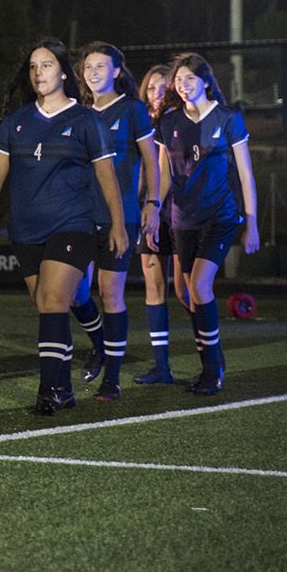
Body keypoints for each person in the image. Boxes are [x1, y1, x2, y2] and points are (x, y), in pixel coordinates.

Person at [0, 39, 128, 415]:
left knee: (53, 302)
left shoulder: (86, 120)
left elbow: (106, 174)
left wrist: (117, 224)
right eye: (32, 67)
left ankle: (49, 390)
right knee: (46, 308)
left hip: (72, 225)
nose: (38, 73)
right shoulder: (18, 121)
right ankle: (65, 388)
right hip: (26, 229)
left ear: (62, 72)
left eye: (45, 65)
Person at [155, 52, 258, 395]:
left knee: (200, 287)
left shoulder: (228, 119)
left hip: (221, 215)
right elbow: (162, 174)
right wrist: (153, 208)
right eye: (178, 81)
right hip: (183, 219)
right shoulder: (169, 123)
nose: (183, 86)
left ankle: (212, 371)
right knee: (187, 295)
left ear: (206, 81)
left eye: (189, 79)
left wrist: (252, 221)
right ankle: (212, 361)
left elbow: (245, 174)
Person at [74, 42, 161, 402]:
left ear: (117, 71)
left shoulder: (132, 109)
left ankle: (112, 378)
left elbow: (152, 160)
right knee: (74, 293)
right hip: (78, 216)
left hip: (118, 217)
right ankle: (99, 342)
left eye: (101, 66)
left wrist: (152, 202)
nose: (94, 72)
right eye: (88, 66)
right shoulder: (77, 112)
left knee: (111, 294)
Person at [134, 62, 179, 384]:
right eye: (151, 87)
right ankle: (162, 366)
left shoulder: (180, 120)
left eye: (163, 87)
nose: (157, 93)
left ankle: (208, 358)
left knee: (190, 289)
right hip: (150, 212)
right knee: (154, 284)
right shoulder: (138, 122)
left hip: (181, 211)